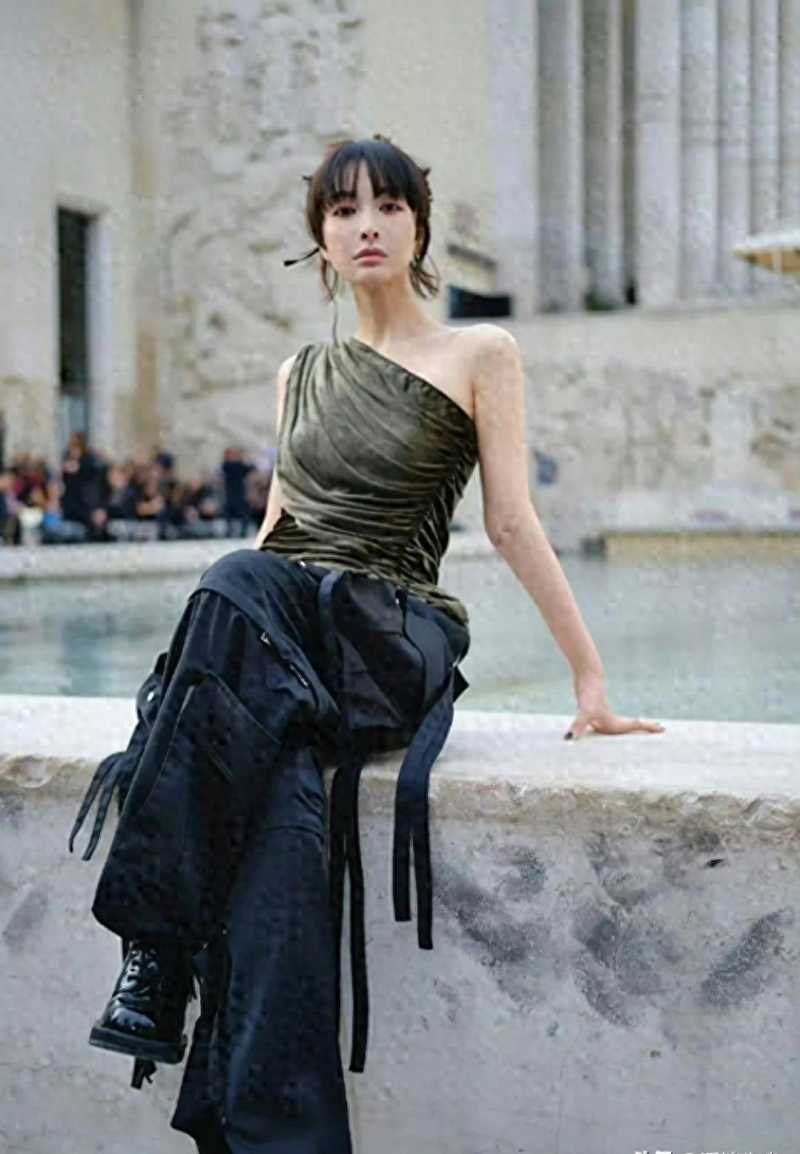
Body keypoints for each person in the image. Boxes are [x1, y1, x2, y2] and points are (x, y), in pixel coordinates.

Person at [69, 134, 664, 1154]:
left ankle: (155, 954)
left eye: (388, 206)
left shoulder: (480, 353)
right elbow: (276, 530)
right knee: (281, 796)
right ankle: (275, 1129)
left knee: (234, 585)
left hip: (392, 631)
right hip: (293, 638)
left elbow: (510, 520)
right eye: (343, 210)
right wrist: (204, 668)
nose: (368, 226)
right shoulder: (298, 370)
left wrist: (589, 675)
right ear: (321, 239)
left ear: (420, 229)